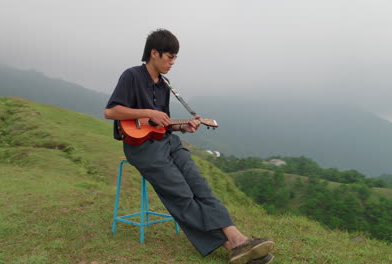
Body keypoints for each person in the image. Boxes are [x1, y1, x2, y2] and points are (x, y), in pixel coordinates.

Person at [104, 29, 275, 264]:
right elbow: (111, 111)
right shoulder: (131, 76)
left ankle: (238, 240)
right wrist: (147, 112)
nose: (172, 62)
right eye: (169, 57)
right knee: (181, 194)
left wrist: (183, 128)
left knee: (200, 186)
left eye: (175, 58)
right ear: (154, 53)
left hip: (168, 142)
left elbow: (163, 124)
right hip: (141, 148)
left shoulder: (165, 85)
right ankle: (233, 244)